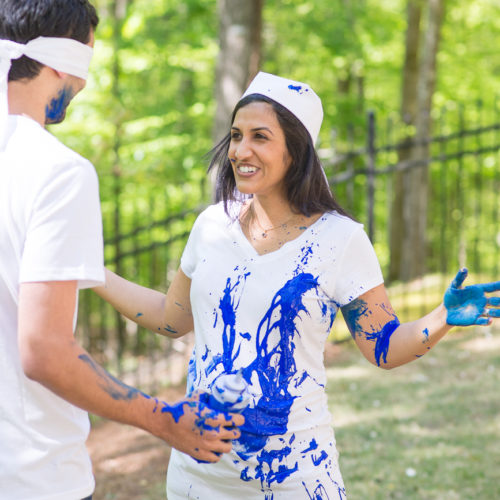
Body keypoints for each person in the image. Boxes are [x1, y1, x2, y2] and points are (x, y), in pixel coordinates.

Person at [94, 71, 500, 499]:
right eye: (235, 135)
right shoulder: (211, 225)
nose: (240, 150)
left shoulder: (339, 239)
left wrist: (442, 318)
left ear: (296, 152)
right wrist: (90, 271)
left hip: (294, 479)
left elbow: (383, 346)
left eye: (260, 137)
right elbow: (170, 319)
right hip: (197, 480)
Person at [0, 2, 243, 500]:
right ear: (62, 59)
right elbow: (44, 352)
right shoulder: (56, 170)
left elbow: (171, 314)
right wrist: (166, 421)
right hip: (30, 475)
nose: (85, 84)